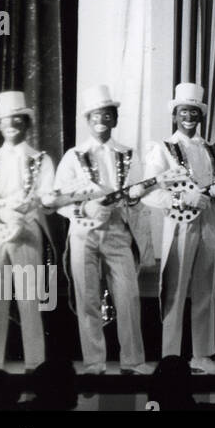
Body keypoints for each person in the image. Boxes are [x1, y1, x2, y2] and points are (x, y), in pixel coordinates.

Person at [50, 85, 151, 375]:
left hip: (118, 232)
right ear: (87, 118)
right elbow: (57, 200)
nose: (102, 119)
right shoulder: (73, 156)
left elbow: (137, 194)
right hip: (83, 234)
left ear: (115, 119)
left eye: (107, 114)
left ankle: (133, 360)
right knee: (88, 298)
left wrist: (134, 196)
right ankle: (94, 362)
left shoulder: (128, 154)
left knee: (129, 298)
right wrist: (82, 209)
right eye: (96, 114)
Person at [141, 82, 215, 373]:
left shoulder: (211, 149)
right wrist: (179, 198)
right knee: (175, 290)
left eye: (194, 111)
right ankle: (171, 359)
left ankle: (202, 356)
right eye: (183, 111)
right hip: (180, 225)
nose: (189, 116)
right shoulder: (163, 149)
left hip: (210, 222)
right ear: (175, 115)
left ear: (201, 115)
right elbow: (150, 191)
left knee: (206, 288)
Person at [0, 91, 56, 373]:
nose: (12, 125)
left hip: (27, 228)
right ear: (0, 125)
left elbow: (49, 197)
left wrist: (40, 202)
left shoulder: (41, 159)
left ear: (27, 123)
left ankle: (36, 362)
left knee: (29, 297)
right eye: (6, 121)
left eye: (18, 119)